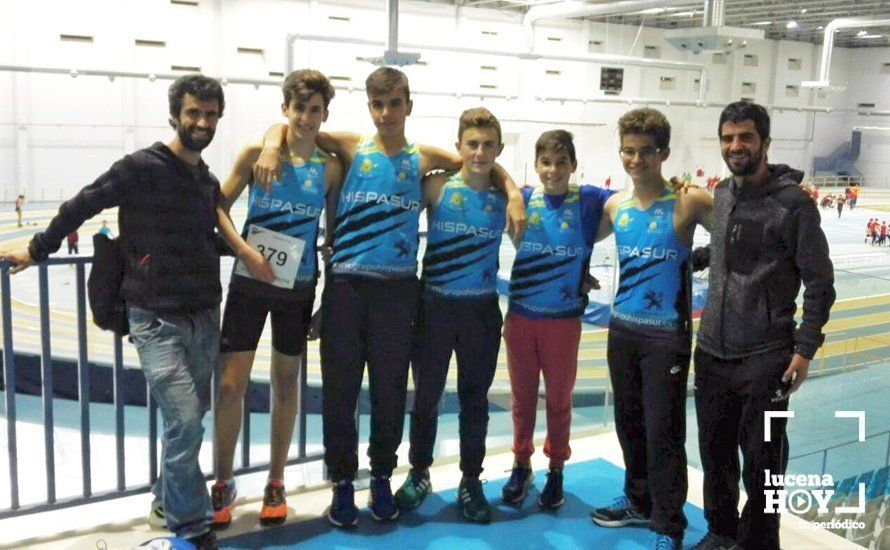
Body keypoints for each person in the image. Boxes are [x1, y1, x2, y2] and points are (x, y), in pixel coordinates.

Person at [254, 67, 526, 527]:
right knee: (340, 393)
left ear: (408, 106)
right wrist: (266, 144)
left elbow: (478, 161)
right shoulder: (350, 146)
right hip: (346, 289)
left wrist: (515, 191)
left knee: (388, 392)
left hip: (400, 294)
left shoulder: (423, 159)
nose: (386, 113)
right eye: (378, 105)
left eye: (395, 103)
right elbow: (292, 127)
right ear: (369, 108)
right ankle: (342, 484)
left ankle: (381, 476)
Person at [0, 75, 239, 549]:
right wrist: (38, 249)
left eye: (211, 115)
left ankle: (163, 500)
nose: (202, 122)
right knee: (187, 420)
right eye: (194, 112)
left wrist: (254, 253)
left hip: (205, 314)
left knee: (186, 421)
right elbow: (81, 204)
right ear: (175, 115)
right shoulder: (140, 168)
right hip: (155, 320)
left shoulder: (205, 179)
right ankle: (190, 525)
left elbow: (201, 239)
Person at [691, 101, 835, 550]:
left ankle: (759, 543)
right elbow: (728, 252)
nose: (736, 146)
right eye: (728, 138)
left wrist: (805, 347)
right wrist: (684, 260)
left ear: (765, 143)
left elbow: (820, 281)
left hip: (764, 358)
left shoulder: (794, 205)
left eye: (746, 137)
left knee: (764, 464)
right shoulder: (722, 194)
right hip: (712, 353)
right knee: (715, 458)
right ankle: (720, 533)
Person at [210, 69, 342, 529]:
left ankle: (275, 480)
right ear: (285, 109)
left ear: (324, 115)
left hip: (297, 289)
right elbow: (218, 207)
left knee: (287, 384)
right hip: (248, 283)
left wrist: (326, 296)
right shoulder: (256, 154)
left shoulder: (329, 169)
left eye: (315, 110)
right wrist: (243, 249)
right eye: (299, 108)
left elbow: (334, 235)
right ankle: (224, 481)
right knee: (230, 386)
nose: (306, 118)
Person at [589, 108, 713, 550]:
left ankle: (668, 524)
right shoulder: (615, 205)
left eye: (646, 152)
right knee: (630, 425)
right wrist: (582, 273)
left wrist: (705, 259)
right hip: (622, 331)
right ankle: (639, 501)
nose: (636, 160)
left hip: (666, 338)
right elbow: (580, 238)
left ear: (663, 153)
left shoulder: (688, 201)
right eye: (629, 151)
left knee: (664, 432)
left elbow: (737, 230)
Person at [392, 107, 507, 523]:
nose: (479, 152)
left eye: (488, 145)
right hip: (434, 307)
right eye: (472, 144)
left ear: (499, 149)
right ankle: (419, 471)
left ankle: (470, 480)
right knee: (425, 398)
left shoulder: (505, 196)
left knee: (475, 402)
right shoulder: (436, 187)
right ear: (458, 147)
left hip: (480, 312)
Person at [500, 130, 611, 510]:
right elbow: (485, 172)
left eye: (561, 162)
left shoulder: (590, 199)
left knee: (560, 401)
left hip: (563, 322)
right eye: (546, 162)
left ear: (573, 166)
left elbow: (633, 204)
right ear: (536, 165)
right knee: (522, 400)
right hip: (520, 318)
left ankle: (557, 469)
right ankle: (520, 463)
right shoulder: (524, 200)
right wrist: (513, 191)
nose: (553, 170)